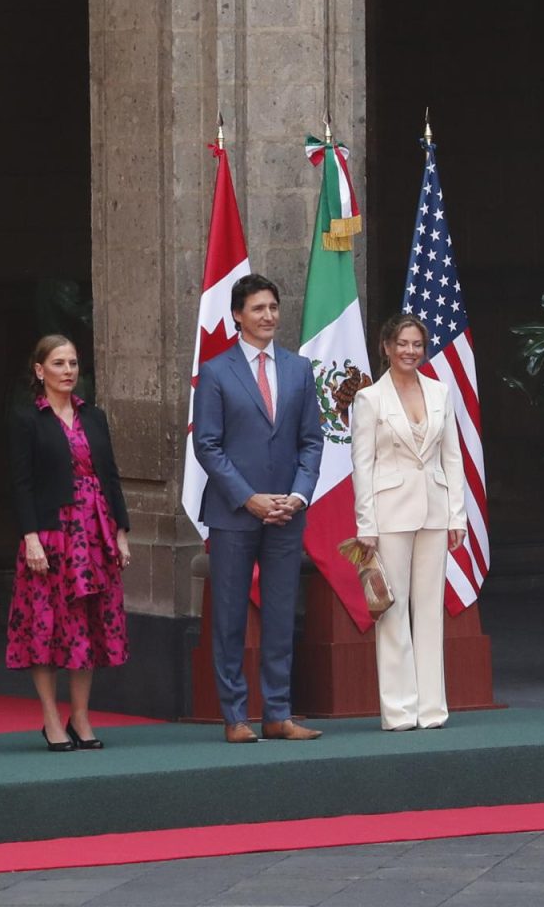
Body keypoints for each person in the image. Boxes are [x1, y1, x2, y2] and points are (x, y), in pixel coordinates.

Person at [192, 274, 326, 743]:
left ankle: (277, 713)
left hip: (287, 513)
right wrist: (248, 497)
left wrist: (298, 494)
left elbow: (312, 441)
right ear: (237, 315)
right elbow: (207, 446)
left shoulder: (298, 369)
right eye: (258, 308)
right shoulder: (215, 371)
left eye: (273, 307)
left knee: (281, 615)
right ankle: (234, 716)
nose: (268, 316)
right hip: (234, 513)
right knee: (229, 615)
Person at [6, 336, 131, 751]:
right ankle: (49, 718)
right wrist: (30, 538)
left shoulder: (93, 416)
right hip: (50, 534)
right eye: (58, 363)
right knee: (47, 626)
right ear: (40, 370)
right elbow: (21, 484)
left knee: (87, 627)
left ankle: (80, 715)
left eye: (73, 363)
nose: (68, 371)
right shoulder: (27, 419)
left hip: (94, 534)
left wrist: (120, 531)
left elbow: (110, 475)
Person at [350, 314, 467, 731]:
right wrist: (366, 525)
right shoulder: (369, 399)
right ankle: (399, 710)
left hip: (435, 511)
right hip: (388, 514)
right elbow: (362, 466)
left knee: (430, 609)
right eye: (402, 343)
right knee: (392, 610)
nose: (410, 351)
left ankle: (432, 709)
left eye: (417, 344)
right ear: (386, 346)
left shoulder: (440, 391)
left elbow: (452, 457)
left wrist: (457, 515)